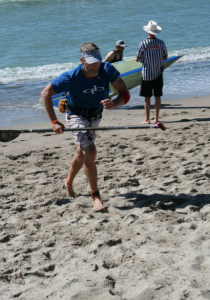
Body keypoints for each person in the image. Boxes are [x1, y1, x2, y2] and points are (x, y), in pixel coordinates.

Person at [41, 42, 130, 212]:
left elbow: (124, 93)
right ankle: (96, 196)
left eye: (97, 62)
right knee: (91, 151)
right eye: (90, 63)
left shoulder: (107, 69)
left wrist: (115, 103)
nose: (95, 66)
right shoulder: (71, 76)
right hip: (75, 115)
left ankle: (68, 181)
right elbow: (46, 93)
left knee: (82, 152)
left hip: (95, 116)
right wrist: (54, 121)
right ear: (82, 60)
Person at [136, 20, 168, 124]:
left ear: (147, 32)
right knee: (157, 97)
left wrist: (144, 60)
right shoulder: (161, 43)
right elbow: (165, 57)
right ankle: (156, 118)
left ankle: (147, 119)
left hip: (146, 74)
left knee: (147, 98)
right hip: (158, 73)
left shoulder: (143, 44)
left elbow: (138, 58)